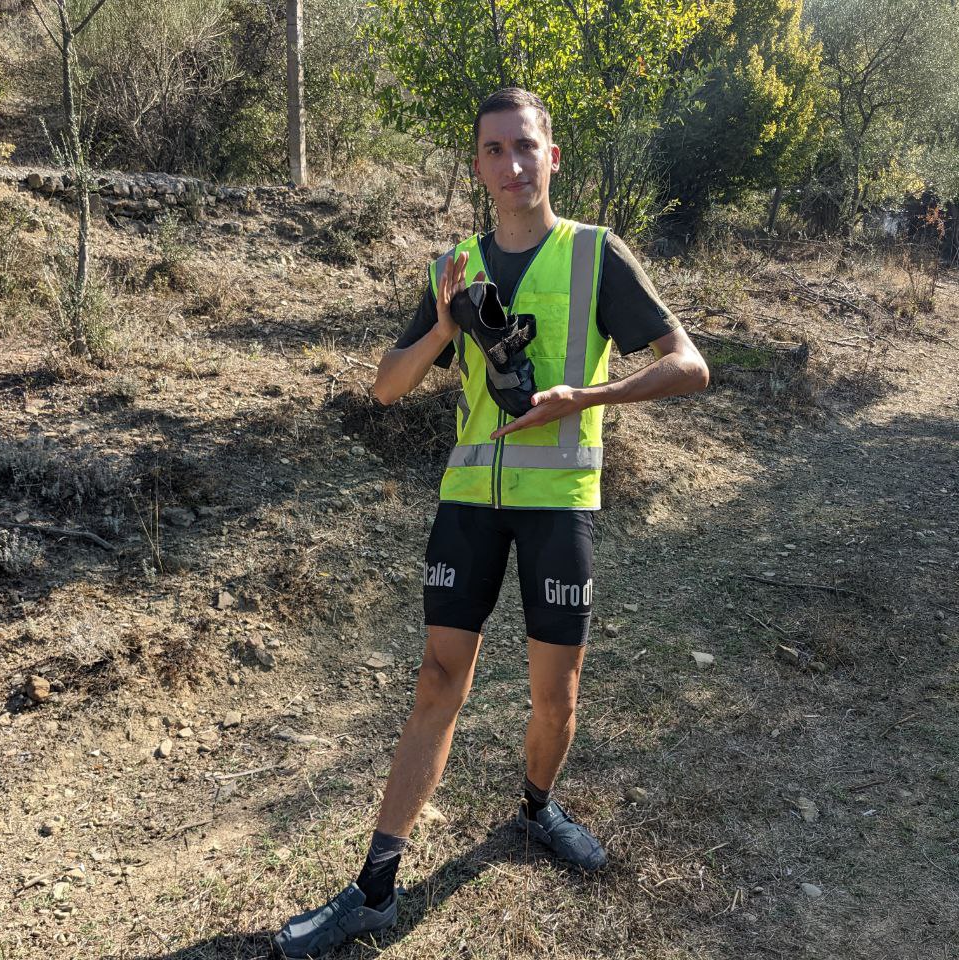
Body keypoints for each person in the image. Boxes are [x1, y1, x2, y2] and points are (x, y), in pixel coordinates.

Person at [273, 87, 709, 959]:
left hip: (559, 509)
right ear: (476, 167)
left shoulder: (595, 255)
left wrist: (584, 396)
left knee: (557, 699)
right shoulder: (453, 266)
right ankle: (377, 886)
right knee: (439, 683)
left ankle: (538, 810)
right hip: (469, 504)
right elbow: (385, 386)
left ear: (553, 157)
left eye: (525, 147)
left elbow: (689, 367)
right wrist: (442, 327)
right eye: (493, 151)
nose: (511, 166)